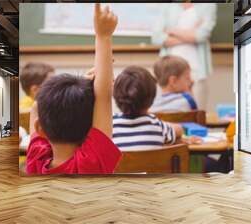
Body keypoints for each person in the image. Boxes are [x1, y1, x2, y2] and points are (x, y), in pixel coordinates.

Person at [26, 4, 121, 174]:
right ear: (90, 127)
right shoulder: (91, 164)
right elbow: (104, 96)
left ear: (40, 128)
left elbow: (35, 107)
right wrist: (103, 36)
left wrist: (83, 85)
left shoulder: (35, 161)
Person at [113, 65, 202, 151]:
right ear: (152, 99)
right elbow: (180, 129)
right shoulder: (156, 124)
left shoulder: (111, 124)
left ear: (116, 98)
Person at [152, 3, 217, 110]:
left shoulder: (208, 5)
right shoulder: (168, 6)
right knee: (166, 113)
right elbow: (157, 37)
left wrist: (171, 31)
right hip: (168, 70)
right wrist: (191, 33)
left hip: (197, 72)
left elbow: (201, 36)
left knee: (196, 112)